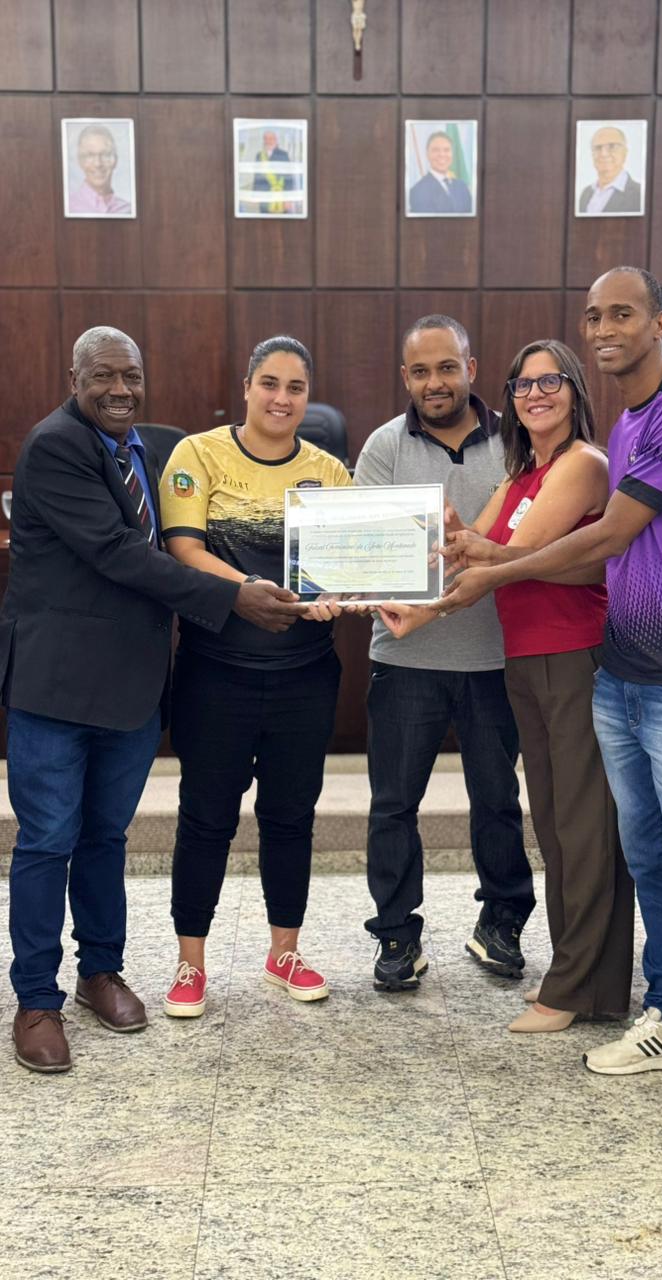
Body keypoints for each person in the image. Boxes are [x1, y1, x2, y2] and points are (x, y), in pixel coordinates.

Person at [435, 267, 662, 1144]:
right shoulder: (631, 422)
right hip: (622, 676)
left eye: (622, 313)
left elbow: (605, 538)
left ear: (660, 323)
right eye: (593, 315)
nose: (605, 327)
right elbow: (556, 551)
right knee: (654, 860)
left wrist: (491, 569)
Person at [0, 327, 307, 1074]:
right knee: (47, 841)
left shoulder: (143, 448)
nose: (119, 390)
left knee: (106, 838)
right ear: (74, 377)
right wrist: (235, 596)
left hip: (132, 689)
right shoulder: (57, 446)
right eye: (103, 376)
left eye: (131, 377)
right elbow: (117, 554)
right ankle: (36, 999)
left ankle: (99, 971)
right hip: (57, 687)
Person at [379, 340, 635, 1031]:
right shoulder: (522, 472)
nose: (535, 394)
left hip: (574, 655)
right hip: (526, 661)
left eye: (550, 381)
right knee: (555, 826)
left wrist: (476, 554)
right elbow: (476, 562)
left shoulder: (583, 464)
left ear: (575, 391)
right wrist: (422, 604)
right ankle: (587, 980)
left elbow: (520, 560)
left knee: (583, 829)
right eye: (522, 385)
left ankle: (576, 988)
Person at [159, 336, 351, 1016]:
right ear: (246, 387)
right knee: (205, 820)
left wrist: (336, 594)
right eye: (269, 383)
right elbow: (182, 548)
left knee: (291, 818)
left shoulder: (330, 470)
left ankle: (284, 953)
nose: (281, 398)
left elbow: (344, 568)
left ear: (308, 397)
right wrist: (249, 587)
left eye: (295, 387)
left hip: (305, 676)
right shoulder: (197, 455)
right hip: (216, 674)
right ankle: (189, 964)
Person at [353, 315, 535, 992]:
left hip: (494, 656)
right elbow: (368, 549)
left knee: (497, 800)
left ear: (472, 368)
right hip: (405, 661)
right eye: (421, 371)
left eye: (447, 367)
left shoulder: (517, 444)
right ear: (406, 377)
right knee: (393, 804)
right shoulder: (382, 446)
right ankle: (396, 934)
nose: (435, 382)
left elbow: (529, 539)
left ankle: (503, 922)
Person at [67, 123, 132, 216]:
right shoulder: (69, 207)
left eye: (105, 154)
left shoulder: (128, 210)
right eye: (90, 155)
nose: (98, 164)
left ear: (116, 160)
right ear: (80, 161)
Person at [578, 126, 641, 215]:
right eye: (598, 148)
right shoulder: (586, 194)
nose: (603, 154)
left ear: (625, 152)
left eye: (612, 146)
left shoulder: (639, 195)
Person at [408, 132, 472, 215]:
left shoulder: (462, 187)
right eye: (436, 150)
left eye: (447, 150)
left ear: (452, 154)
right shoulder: (418, 191)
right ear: (427, 154)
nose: (442, 155)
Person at [252, 129, 295, 214]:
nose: (268, 141)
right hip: (264, 196)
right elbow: (257, 176)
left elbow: (289, 178)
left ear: (276, 140)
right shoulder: (259, 155)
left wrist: (288, 199)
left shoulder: (283, 154)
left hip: (281, 196)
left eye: (271, 138)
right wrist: (255, 195)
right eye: (266, 138)